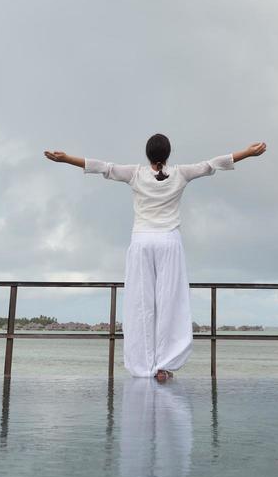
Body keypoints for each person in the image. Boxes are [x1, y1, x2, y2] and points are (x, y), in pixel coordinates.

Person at [44, 135, 266, 382]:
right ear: (168, 154)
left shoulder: (136, 173)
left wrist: (66, 160)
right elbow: (211, 164)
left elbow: (103, 167)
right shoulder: (180, 173)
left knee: (140, 304)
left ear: (147, 154)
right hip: (169, 242)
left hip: (141, 242)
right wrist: (247, 152)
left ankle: (143, 366)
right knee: (171, 302)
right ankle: (164, 365)